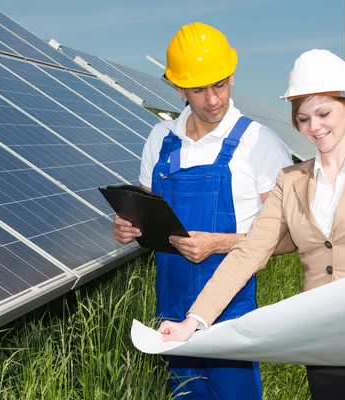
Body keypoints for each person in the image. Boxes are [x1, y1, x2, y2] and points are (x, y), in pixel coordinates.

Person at [156, 48, 345, 400]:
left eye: (323, 113)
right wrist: (194, 321)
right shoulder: (290, 181)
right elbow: (248, 253)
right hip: (325, 346)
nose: (314, 127)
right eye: (303, 119)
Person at [112, 22, 294, 399]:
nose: (213, 99)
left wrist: (220, 243)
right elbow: (146, 214)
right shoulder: (160, 139)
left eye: (221, 85)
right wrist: (128, 227)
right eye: (198, 89)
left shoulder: (259, 144)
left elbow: (291, 238)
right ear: (179, 88)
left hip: (231, 314)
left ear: (231, 77)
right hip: (171, 311)